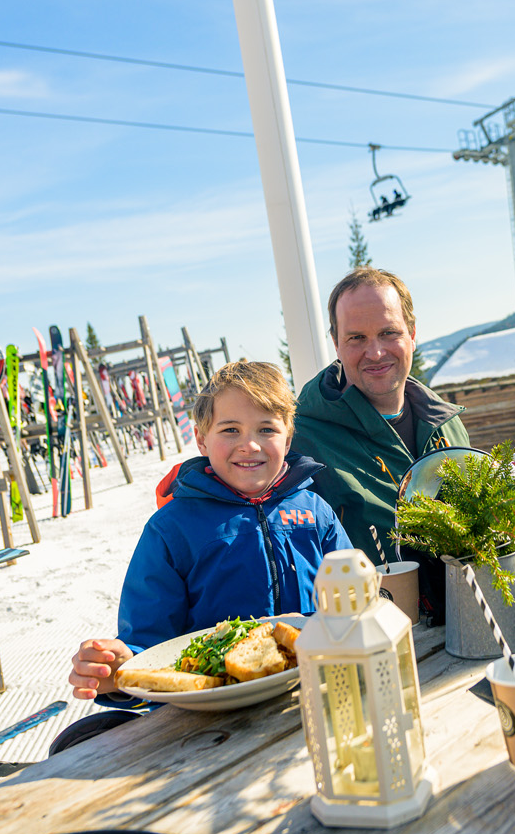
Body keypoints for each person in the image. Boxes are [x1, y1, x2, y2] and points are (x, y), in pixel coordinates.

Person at [58, 361, 352, 752]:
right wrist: (120, 668)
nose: (250, 445)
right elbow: (150, 648)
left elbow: (352, 603)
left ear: (288, 437)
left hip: (320, 697)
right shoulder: (171, 529)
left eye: (266, 429)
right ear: (201, 439)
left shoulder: (315, 512)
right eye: (230, 430)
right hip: (214, 728)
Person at [292, 267, 468, 575]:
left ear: (412, 334)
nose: (375, 353)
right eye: (357, 338)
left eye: (389, 333)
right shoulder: (302, 442)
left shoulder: (446, 424)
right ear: (336, 343)